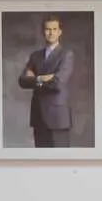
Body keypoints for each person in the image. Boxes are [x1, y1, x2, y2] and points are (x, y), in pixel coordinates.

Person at [17, 15, 74, 148]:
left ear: (60, 32)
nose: (51, 33)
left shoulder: (66, 55)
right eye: (48, 29)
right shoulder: (35, 56)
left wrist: (35, 78)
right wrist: (41, 78)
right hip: (39, 117)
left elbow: (57, 83)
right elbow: (22, 81)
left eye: (54, 29)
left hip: (58, 118)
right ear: (43, 32)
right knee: (40, 162)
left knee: (60, 162)